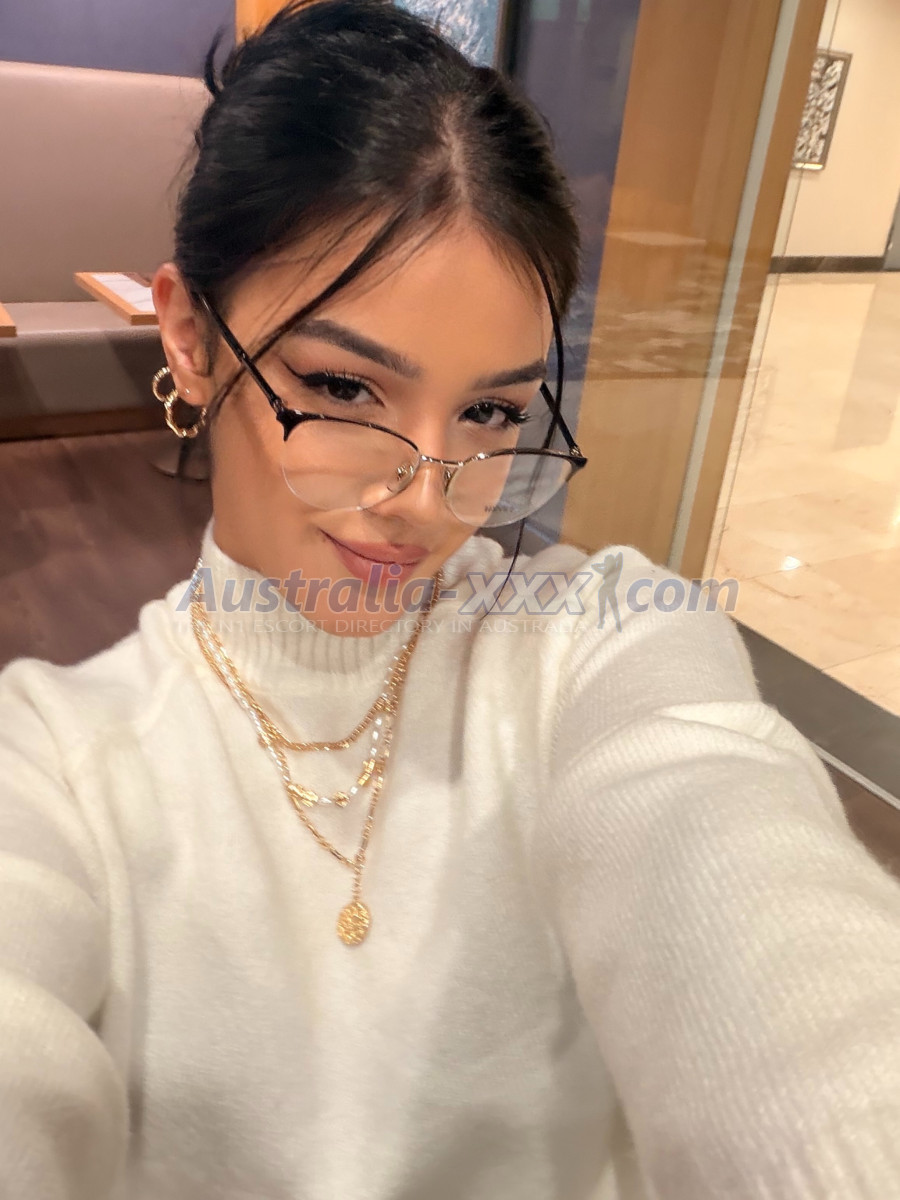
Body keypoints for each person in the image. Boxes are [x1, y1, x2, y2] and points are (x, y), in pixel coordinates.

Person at [2, 3, 900, 1197]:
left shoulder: (601, 642)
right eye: (343, 388)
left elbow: (754, 901)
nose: (426, 501)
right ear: (190, 338)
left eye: (489, 413)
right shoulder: (52, 763)